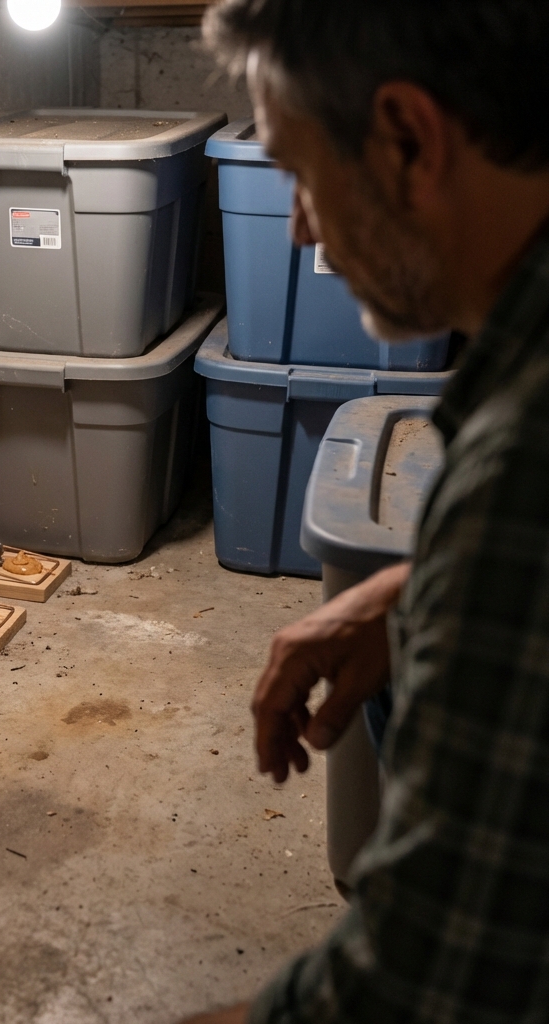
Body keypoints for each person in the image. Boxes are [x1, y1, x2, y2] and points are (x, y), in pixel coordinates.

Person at [182, 2, 549, 1022]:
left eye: (298, 173)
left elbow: (414, 994)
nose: (296, 222)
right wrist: (416, 588)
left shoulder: (521, 470)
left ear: (405, 140)